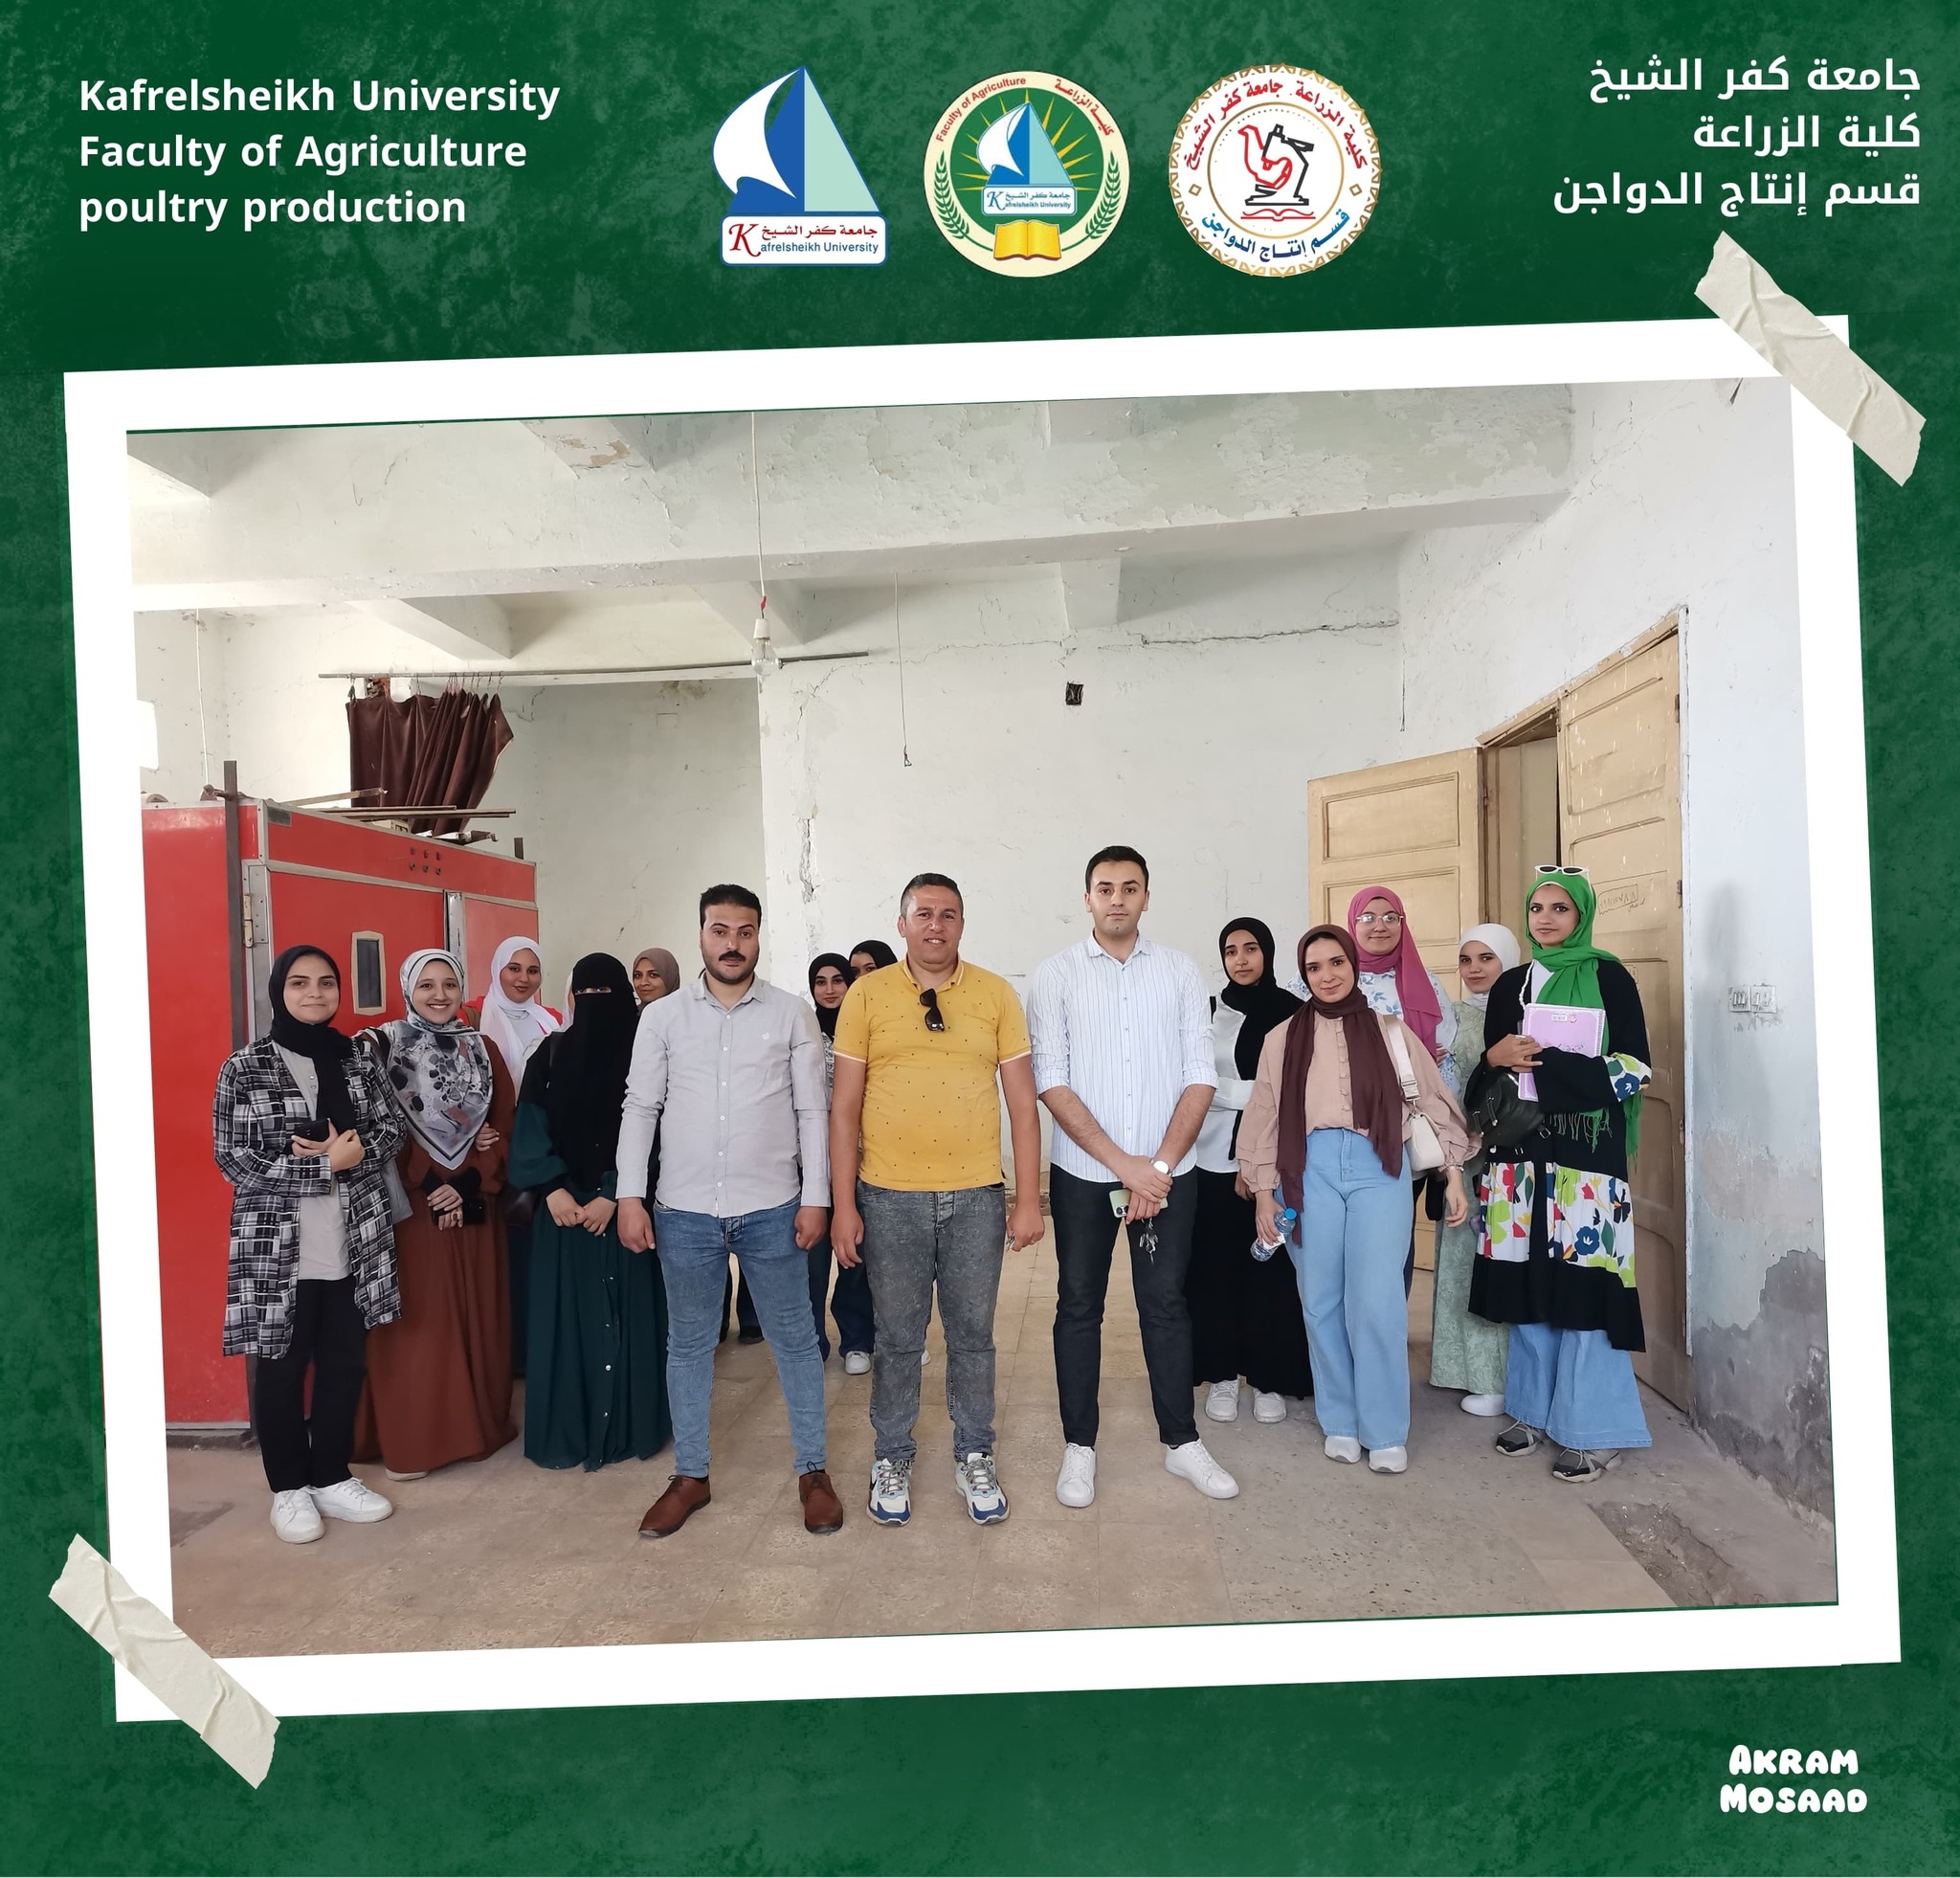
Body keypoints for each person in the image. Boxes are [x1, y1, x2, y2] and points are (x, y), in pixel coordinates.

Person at [617, 886, 843, 1538]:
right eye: (720, 930)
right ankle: (691, 1475)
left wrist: (817, 1196)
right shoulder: (662, 1019)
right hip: (684, 1211)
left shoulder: (791, 1014)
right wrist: (631, 1196)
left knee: (796, 1341)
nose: (732, 944)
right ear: (700, 935)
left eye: (745, 932)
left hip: (773, 1207)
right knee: (689, 1344)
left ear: (758, 937)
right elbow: (641, 1108)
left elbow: (811, 1111)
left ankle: (813, 1471)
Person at [830, 873, 1044, 1527]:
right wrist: (844, 1205)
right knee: (898, 1338)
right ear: (901, 924)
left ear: (961, 925)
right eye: (923, 913)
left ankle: (975, 1452)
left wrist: (1026, 1199)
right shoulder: (866, 995)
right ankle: (892, 1455)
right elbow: (843, 1110)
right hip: (888, 1197)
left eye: (948, 914)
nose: (936, 925)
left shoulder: (996, 994)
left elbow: (1023, 1107)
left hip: (976, 1197)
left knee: (973, 1337)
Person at [1027, 845, 1237, 1509]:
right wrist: (1128, 1169)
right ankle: (1079, 1446)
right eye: (1105, 888)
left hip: (1170, 1173)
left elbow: (1200, 1075)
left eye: (1129, 887)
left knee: (1166, 1304)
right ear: (1086, 898)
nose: (1117, 899)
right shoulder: (1054, 975)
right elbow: (1050, 1080)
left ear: (1147, 896)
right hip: (1085, 1176)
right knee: (1078, 1305)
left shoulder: (1179, 971)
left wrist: (1160, 1169)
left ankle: (1181, 1441)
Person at [1239, 926, 1474, 1474]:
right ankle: (1340, 1421)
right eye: (1314, 967)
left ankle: (1385, 1428)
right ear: (1304, 974)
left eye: (1336, 963)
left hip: (1379, 1165)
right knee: (1320, 1298)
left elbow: (1433, 1100)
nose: (1327, 976)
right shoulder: (1282, 1038)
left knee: (1378, 1299)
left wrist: (1453, 1174)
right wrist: (1263, 1193)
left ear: (1353, 965)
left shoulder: (1391, 1030)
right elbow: (1265, 1117)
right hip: (1308, 1170)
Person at [1467, 868, 1655, 1482]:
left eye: (1560, 909)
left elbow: (1634, 1068)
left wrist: (1547, 1065)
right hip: (1519, 1157)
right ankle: (1533, 1411)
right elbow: (1488, 1080)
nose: (1545, 919)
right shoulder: (1512, 984)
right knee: (1527, 1284)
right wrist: (1494, 1057)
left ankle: (1594, 1431)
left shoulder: (1610, 977)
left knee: (1586, 1288)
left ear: (1581, 916)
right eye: (1537, 909)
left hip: (1585, 1160)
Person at [212, 945, 404, 1543]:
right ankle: (289, 1488)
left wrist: (354, 1152)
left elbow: (391, 1128)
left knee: (345, 1362)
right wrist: (323, 1166)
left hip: (354, 1238)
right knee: (281, 1367)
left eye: (325, 982)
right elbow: (233, 1158)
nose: (314, 993)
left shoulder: (358, 1059)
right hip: (278, 1246)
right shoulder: (245, 1067)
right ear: (279, 991)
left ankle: (331, 1476)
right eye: (299, 983)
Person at [352, 948, 519, 1481]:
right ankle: (417, 1442)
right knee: (421, 1323)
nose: (440, 995)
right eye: (427, 985)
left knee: (474, 1316)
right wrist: (431, 1185)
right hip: (413, 1211)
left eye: (449, 984)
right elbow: (375, 1127)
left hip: (476, 1202)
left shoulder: (483, 1050)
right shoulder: (382, 1048)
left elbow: (505, 1125)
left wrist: (467, 1183)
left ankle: (474, 1430)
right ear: (408, 990)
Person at [508, 952, 672, 1471]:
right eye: (588, 993)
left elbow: (660, 1129)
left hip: (627, 1210)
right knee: (566, 1325)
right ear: (574, 998)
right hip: (562, 1217)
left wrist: (615, 1192)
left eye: (608, 993)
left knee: (629, 1319)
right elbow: (528, 1125)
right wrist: (553, 1187)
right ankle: (569, 1431)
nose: (598, 1004)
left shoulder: (648, 1051)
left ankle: (631, 1426)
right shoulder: (550, 1053)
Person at [1186, 918, 1313, 1426]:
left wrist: (1235, 1100)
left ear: (1268, 953)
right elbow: (1194, 1082)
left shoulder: (1296, 1012)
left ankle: (1267, 1377)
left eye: (1251, 948)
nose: (1241, 959)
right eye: (1231, 951)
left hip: (1277, 1163)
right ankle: (1221, 1375)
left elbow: (1299, 1092)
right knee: (1214, 1268)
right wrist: (1253, 1094)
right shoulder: (1208, 1012)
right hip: (1211, 1160)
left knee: (1271, 1270)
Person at [1429, 924, 1522, 1417]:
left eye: (1487, 958)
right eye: (1466, 960)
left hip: (1514, 1156)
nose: (1475, 969)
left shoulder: (1525, 1013)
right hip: (1464, 1156)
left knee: (1501, 1260)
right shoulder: (1453, 1017)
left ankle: (1502, 1379)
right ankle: (1464, 1370)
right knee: (1461, 1260)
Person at [468, 935, 563, 1377]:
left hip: (543, 1146)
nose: (523, 979)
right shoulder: (473, 1017)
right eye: (514, 968)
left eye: (533, 970)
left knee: (539, 1253)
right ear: (497, 970)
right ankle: (512, 1354)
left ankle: (540, 1348)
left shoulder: (551, 1019)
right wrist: (473, 1130)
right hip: (496, 1152)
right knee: (507, 1257)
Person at [809, 952, 876, 1372]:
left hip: (860, 1157)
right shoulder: (802, 1033)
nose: (830, 989)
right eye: (821, 981)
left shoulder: (866, 1030)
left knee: (854, 1254)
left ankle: (857, 1341)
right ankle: (810, 1342)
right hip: (812, 1161)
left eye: (838, 980)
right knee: (810, 1258)